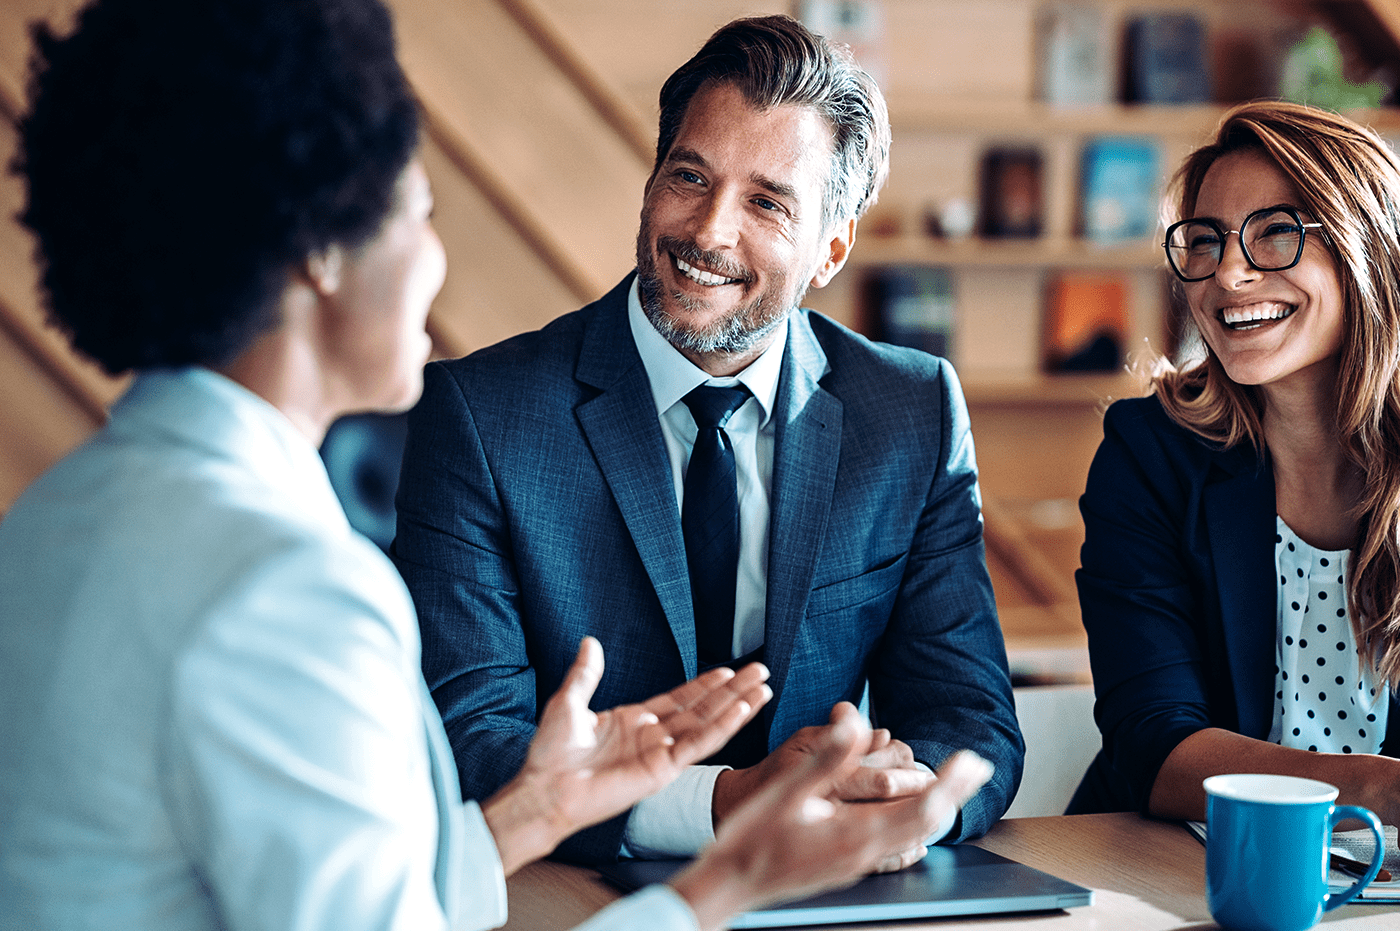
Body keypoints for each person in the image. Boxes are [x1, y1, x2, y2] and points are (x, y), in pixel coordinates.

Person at [0, 2, 994, 930]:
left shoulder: (50, 517)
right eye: (420, 210)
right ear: (322, 251)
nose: (434, 262)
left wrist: (540, 806)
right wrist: (733, 875)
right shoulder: (286, 590)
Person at [393, 14, 1023, 865]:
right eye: (690, 176)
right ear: (651, 181)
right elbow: (470, 740)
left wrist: (896, 802)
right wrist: (726, 805)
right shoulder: (481, 416)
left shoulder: (911, 411)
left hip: (832, 887)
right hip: (569, 887)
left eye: (767, 202)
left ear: (830, 249)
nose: (709, 231)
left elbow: (971, 717)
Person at [1071, 100, 1400, 822]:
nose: (1228, 275)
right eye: (1205, 241)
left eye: (1276, 232)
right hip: (1178, 860)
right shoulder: (1150, 452)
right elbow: (1154, 744)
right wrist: (1376, 787)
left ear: (1369, 248)